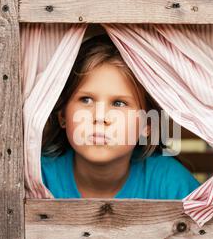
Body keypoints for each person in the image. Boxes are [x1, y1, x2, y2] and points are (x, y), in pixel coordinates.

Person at [41, 33, 200, 200]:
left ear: (148, 124)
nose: (100, 117)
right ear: (62, 115)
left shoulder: (171, 183)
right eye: (86, 100)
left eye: (118, 104)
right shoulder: (38, 178)